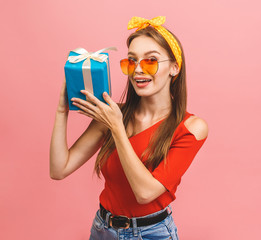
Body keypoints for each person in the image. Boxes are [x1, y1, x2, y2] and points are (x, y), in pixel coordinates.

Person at [50, 16, 208, 240]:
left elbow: (145, 193)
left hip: (152, 234)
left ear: (174, 67)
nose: (138, 70)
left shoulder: (191, 128)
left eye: (151, 61)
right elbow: (59, 169)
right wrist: (60, 111)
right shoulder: (113, 114)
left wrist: (116, 127)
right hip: (102, 229)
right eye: (131, 61)